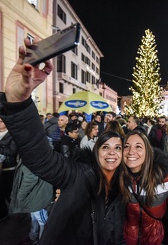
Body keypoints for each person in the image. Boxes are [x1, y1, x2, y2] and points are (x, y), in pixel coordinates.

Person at [0, 39, 126, 245]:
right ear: (96, 151)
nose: (112, 152)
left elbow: (115, 235)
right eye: (105, 147)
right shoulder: (77, 175)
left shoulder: (121, 190)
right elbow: (41, 158)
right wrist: (19, 104)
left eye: (117, 147)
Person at [120, 129, 168, 245]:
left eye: (138, 147)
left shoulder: (163, 178)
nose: (131, 151)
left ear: (148, 152)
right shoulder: (118, 177)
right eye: (126, 146)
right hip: (125, 240)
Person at [9, 158, 54, 244]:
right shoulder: (35, 151)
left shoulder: (31, 155)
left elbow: (30, 178)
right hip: (34, 196)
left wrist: (20, 196)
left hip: (37, 198)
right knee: (34, 218)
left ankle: (42, 241)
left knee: (43, 222)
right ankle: (33, 237)